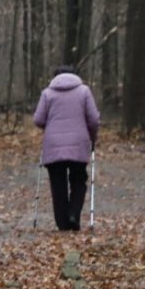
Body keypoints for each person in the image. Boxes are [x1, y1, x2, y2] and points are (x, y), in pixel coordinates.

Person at [33, 65, 100, 231]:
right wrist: (92, 137)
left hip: (53, 144)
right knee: (78, 180)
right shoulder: (84, 91)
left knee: (58, 184)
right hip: (78, 142)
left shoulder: (47, 93)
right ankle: (73, 215)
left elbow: (38, 119)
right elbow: (94, 119)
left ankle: (62, 223)